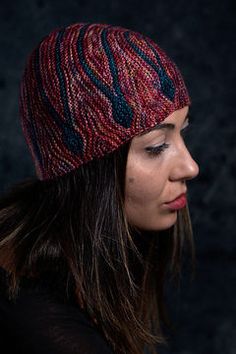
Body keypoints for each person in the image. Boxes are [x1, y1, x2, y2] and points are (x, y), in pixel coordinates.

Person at [0, 22, 199, 354]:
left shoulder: (82, 264)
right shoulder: (44, 328)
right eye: (156, 146)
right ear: (89, 171)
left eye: (183, 132)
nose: (190, 167)